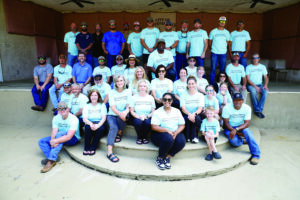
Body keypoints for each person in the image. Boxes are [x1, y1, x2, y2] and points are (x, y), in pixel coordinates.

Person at [38, 101, 80, 173]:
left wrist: (56, 141)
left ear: (68, 109)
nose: (62, 110)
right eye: (60, 109)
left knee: (60, 134)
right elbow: (54, 131)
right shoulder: (56, 118)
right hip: (59, 137)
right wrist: (52, 141)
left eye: (64, 108)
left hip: (73, 139)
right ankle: (53, 158)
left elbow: (69, 136)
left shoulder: (74, 119)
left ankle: (50, 162)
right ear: (58, 110)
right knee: (42, 141)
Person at [222, 93, 261, 165]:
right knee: (235, 142)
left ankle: (256, 155)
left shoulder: (247, 108)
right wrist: (233, 130)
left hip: (241, 126)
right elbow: (226, 123)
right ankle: (243, 140)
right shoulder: (226, 108)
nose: (237, 102)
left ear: (242, 101)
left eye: (239, 100)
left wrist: (236, 130)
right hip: (229, 127)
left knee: (248, 133)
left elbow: (247, 123)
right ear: (232, 101)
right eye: (235, 100)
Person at [151, 92, 186, 170]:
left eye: (169, 99)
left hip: (174, 131)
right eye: (165, 99)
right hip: (160, 133)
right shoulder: (157, 112)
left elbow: (182, 125)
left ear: (172, 101)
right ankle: (160, 158)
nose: (167, 101)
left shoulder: (176, 111)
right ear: (162, 101)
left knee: (181, 141)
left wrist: (176, 133)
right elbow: (154, 127)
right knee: (168, 139)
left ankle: (168, 157)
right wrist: (167, 130)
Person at [106, 75, 131, 162]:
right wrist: (121, 113)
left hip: (124, 113)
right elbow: (112, 107)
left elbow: (129, 106)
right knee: (113, 128)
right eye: (117, 81)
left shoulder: (128, 91)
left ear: (124, 82)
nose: (120, 82)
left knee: (124, 117)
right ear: (115, 83)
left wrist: (125, 112)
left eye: (121, 80)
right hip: (112, 114)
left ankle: (119, 133)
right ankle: (109, 152)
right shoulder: (111, 92)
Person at [130, 80, 156, 144]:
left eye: (144, 86)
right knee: (138, 122)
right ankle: (139, 137)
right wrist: (138, 116)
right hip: (137, 116)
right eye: (140, 86)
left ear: (147, 88)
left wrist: (147, 116)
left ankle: (144, 137)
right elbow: (131, 111)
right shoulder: (133, 97)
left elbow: (153, 111)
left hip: (147, 116)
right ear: (138, 87)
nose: (142, 87)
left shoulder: (150, 98)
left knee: (147, 123)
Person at [82, 90, 107, 155]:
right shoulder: (86, 105)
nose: (94, 97)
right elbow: (84, 118)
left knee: (101, 129)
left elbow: (104, 118)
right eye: (92, 95)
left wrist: (98, 125)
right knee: (87, 128)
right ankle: (86, 148)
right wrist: (91, 124)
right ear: (89, 97)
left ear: (98, 96)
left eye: (95, 95)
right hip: (89, 122)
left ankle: (93, 147)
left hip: (99, 122)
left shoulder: (102, 105)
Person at [181, 76, 204, 143]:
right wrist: (189, 114)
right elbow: (183, 108)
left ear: (196, 84)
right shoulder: (183, 95)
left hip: (197, 114)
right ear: (187, 85)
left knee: (196, 118)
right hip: (186, 113)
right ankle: (187, 137)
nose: (191, 85)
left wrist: (193, 114)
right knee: (187, 119)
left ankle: (194, 136)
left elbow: (200, 108)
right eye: (189, 84)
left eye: (192, 83)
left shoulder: (200, 95)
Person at [246, 53, 269, 118]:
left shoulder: (262, 67)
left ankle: (258, 110)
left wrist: (265, 85)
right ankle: (258, 111)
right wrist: (255, 87)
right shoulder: (248, 67)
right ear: (252, 59)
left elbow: (266, 77)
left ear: (259, 59)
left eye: (256, 58)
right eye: (253, 58)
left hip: (260, 84)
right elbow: (247, 79)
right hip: (251, 85)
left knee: (265, 92)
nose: (255, 59)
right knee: (253, 92)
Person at [208, 16, 230, 84]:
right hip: (214, 53)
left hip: (223, 53)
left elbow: (227, 42)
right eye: (221, 21)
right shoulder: (213, 31)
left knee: (222, 70)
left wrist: (222, 48)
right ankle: (211, 84)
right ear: (218, 22)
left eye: (224, 21)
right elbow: (210, 42)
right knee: (213, 69)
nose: (222, 23)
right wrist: (214, 48)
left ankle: (221, 84)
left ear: (225, 23)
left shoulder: (227, 32)